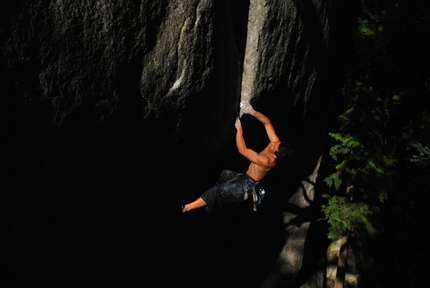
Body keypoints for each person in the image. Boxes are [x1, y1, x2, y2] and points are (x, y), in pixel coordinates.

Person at [179, 101, 293, 213]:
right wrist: (252, 112)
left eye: (274, 146)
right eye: (275, 143)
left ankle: (185, 208)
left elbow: (243, 150)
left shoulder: (268, 161)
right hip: (242, 176)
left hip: (244, 188)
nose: (272, 142)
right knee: (218, 173)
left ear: (275, 154)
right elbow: (267, 123)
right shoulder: (276, 145)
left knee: (218, 191)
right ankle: (200, 196)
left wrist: (239, 129)